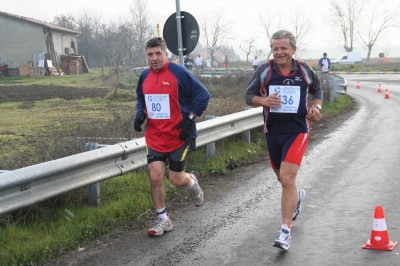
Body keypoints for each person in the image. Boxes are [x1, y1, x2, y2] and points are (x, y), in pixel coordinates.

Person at [245, 29, 322, 251]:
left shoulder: (304, 70)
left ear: (293, 50)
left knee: (287, 179)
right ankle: (296, 198)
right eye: (275, 48)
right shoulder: (264, 71)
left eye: (283, 48)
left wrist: (316, 107)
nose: (278, 52)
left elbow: (316, 90)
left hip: (298, 130)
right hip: (273, 132)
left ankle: (285, 231)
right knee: (283, 179)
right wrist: (263, 100)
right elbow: (249, 96)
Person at [134, 37, 210, 236]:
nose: (154, 58)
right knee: (155, 176)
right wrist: (140, 114)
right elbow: (141, 98)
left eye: (158, 53)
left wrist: (190, 118)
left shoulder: (179, 73)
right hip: (155, 137)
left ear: (166, 54)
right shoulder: (144, 76)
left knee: (175, 179)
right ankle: (163, 219)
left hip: (179, 136)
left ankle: (191, 182)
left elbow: (203, 95)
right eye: (150, 54)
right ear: (146, 56)